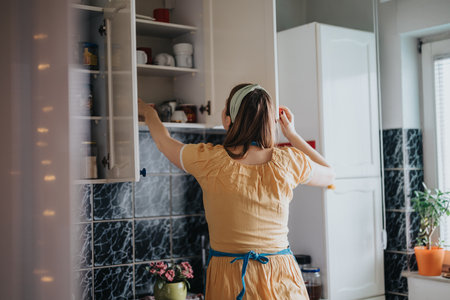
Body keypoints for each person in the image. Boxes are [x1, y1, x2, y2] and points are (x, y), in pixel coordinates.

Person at [138, 83, 335, 300]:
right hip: (282, 277)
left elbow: (164, 142)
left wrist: (148, 112)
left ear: (228, 119)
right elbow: (330, 174)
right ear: (271, 123)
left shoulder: (210, 160)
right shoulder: (289, 161)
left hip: (230, 279)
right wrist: (293, 135)